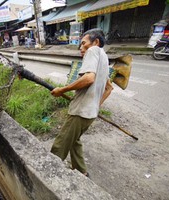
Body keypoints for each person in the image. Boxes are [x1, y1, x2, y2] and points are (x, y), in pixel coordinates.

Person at [50, 28, 113, 177]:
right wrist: (96, 105)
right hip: (90, 113)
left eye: (83, 43)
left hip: (80, 111)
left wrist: (62, 90)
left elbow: (89, 79)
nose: (81, 47)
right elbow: (109, 88)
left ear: (95, 42)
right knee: (74, 141)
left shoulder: (93, 51)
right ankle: (81, 171)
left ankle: (48, 176)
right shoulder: (104, 58)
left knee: (59, 145)